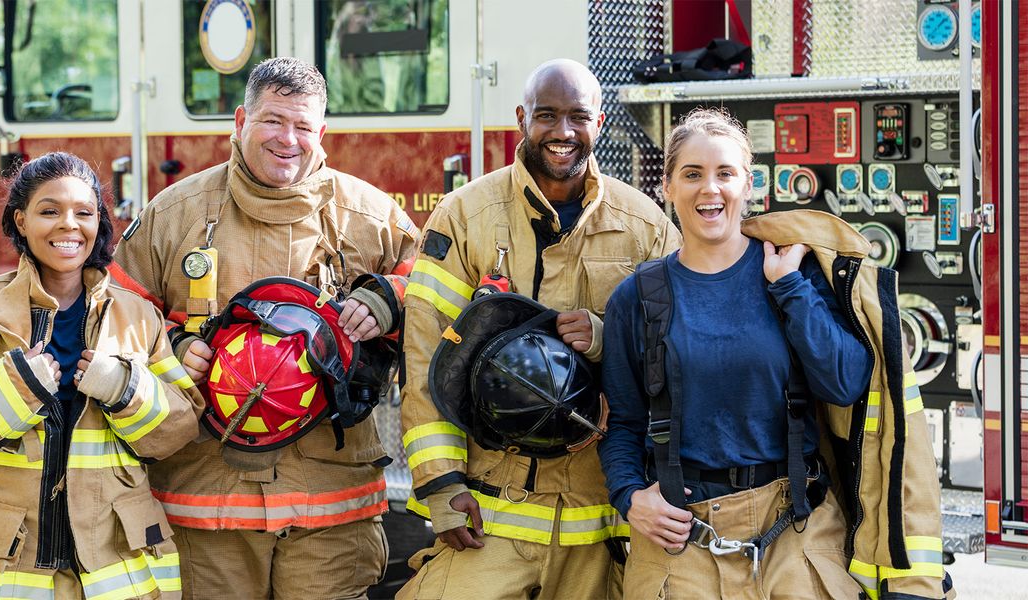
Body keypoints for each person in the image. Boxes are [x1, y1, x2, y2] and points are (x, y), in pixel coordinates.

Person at [599, 108, 947, 599]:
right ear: (668, 187)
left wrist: (788, 288)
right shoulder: (635, 298)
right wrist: (630, 498)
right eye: (692, 174)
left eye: (725, 173)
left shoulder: (796, 275)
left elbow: (846, 384)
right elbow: (623, 424)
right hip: (683, 533)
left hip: (796, 524)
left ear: (748, 184)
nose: (710, 189)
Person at [112, 57, 418, 599]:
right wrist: (173, 348)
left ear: (321, 133)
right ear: (240, 121)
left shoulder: (372, 218)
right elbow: (114, 316)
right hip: (208, 499)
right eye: (273, 121)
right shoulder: (174, 214)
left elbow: (440, 302)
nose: (288, 139)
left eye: (303, 126)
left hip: (331, 500)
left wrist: (390, 298)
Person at [397, 59, 680, 600]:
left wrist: (605, 337)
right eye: (547, 116)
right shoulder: (465, 215)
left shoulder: (644, 226)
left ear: (598, 123)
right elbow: (427, 358)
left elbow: (681, 349)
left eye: (578, 117)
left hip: (600, 516)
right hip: (491, 510)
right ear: (523, 118)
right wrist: (441, 483)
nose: (563, 132)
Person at [0, 152, 203, 599]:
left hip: (114, 564)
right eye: (50, 211)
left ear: (99, 223)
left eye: (84, 213)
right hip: (0, 569)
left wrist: (124, 389)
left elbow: (179, 429)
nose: (69, 225)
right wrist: (13, 388)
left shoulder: (138, 316)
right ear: (21, 221)